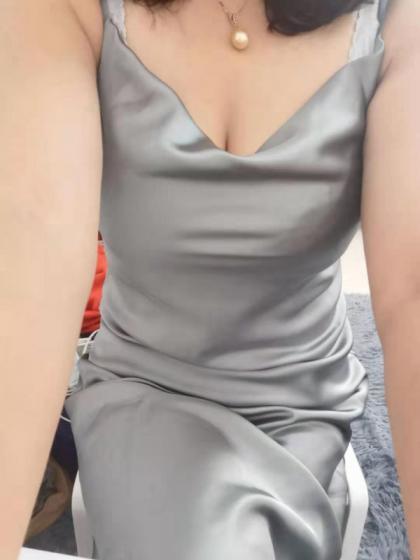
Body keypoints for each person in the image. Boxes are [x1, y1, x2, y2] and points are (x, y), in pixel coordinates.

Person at [1, 0, 420, 558]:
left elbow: (412, 288)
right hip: (147, 389)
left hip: (301, 398)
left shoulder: (398, 17)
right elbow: (30, 276)